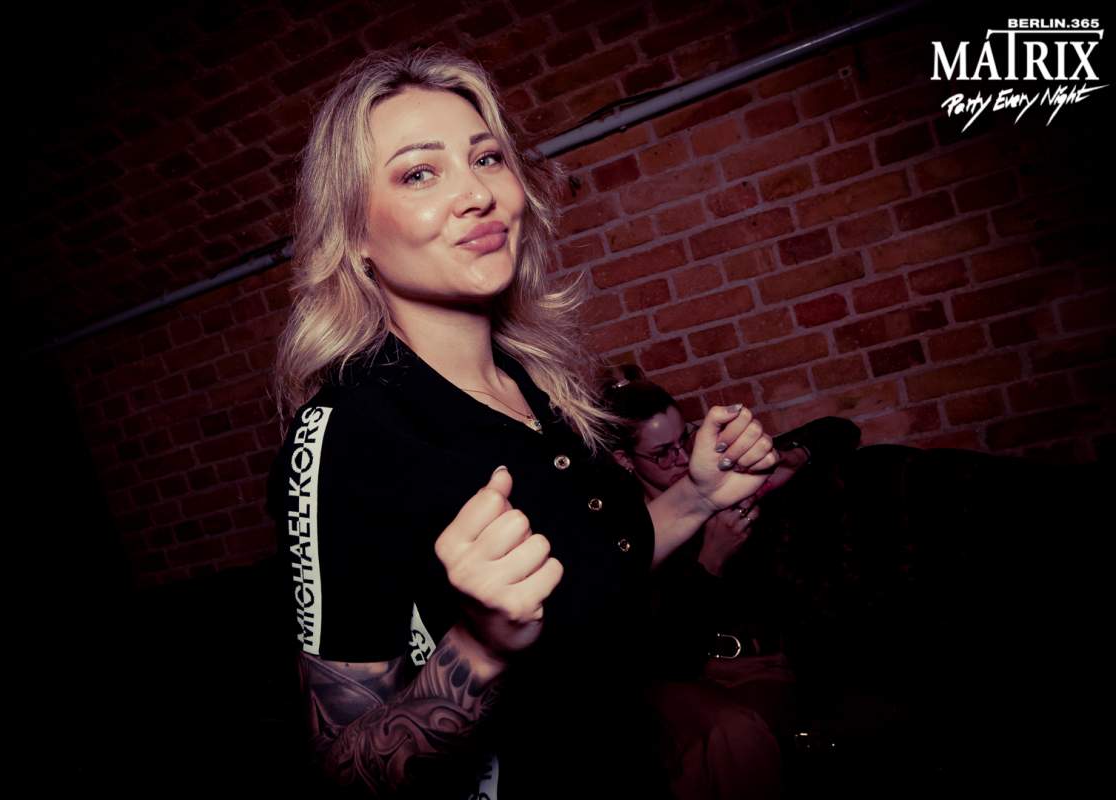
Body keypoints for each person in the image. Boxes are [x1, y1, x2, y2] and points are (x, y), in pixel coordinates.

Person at [266, 46, 779, 799]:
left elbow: (589, 575)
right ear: (355, 236)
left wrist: (697, 497)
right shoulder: (345, 435)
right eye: (419, 173)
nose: (476, 193)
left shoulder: (539, 382)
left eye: (486, 158)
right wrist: (479, 647)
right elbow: (346, 767)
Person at [601, 365, 861, 799]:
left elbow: (839, 431)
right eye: (662, 453)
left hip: (757, 667)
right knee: (723, 738)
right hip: (682, 675)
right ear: (625, 460)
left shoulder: (723, 484)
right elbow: (666, 657)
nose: (681, 458)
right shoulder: (629, 534)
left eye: (685, 439)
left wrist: (788, 458)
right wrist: (710, 560)